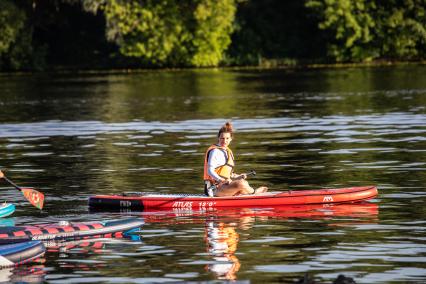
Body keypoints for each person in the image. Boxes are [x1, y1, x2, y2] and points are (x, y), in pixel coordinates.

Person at [203, 121, 268, 197]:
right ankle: (255, 192)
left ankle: (246, 193)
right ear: (218, 138)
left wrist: (238, 176)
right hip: (213, 189)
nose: (224, 141)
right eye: (222, 138)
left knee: (243, 181)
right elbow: (210, 171)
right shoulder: (215, 151)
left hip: (224, 187)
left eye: (227, 138)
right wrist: (221, 180)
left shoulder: (228, 151)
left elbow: (229, 174)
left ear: (231, 139)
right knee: (241, 184)